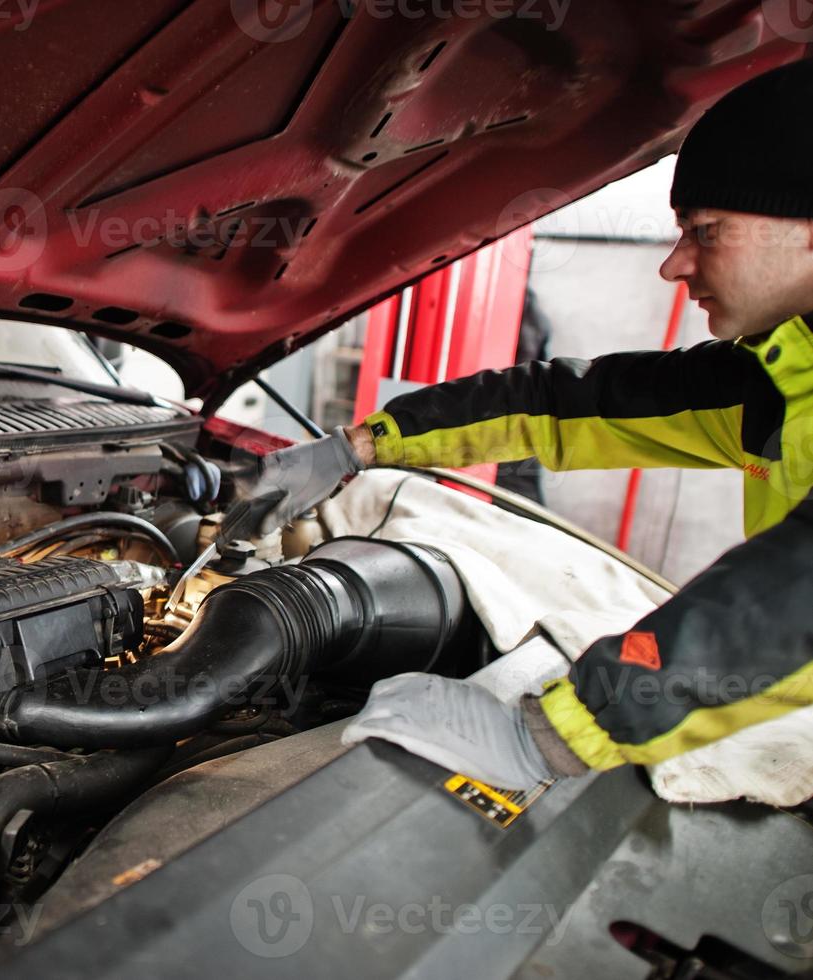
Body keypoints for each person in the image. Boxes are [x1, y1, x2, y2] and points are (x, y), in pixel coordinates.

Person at [332, 58, 813, 792]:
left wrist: (550, 735)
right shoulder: (779, 377)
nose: (673, 265)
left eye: (706, 230)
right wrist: (360, 445)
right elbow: (567, 405)